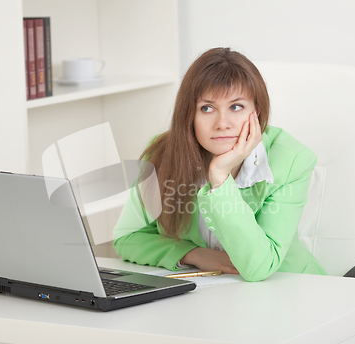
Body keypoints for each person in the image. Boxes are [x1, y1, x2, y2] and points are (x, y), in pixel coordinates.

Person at [113, 47, 327, 281]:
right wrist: (192, 254)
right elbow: (128, 238)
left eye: (236, 107)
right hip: (208, 293)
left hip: (292, 291)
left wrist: (220, 177)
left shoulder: (292, 160)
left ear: (256, 111)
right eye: (207, 108)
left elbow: (260, 268)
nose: (222, 123)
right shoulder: (163, 153)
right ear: (189, 115)